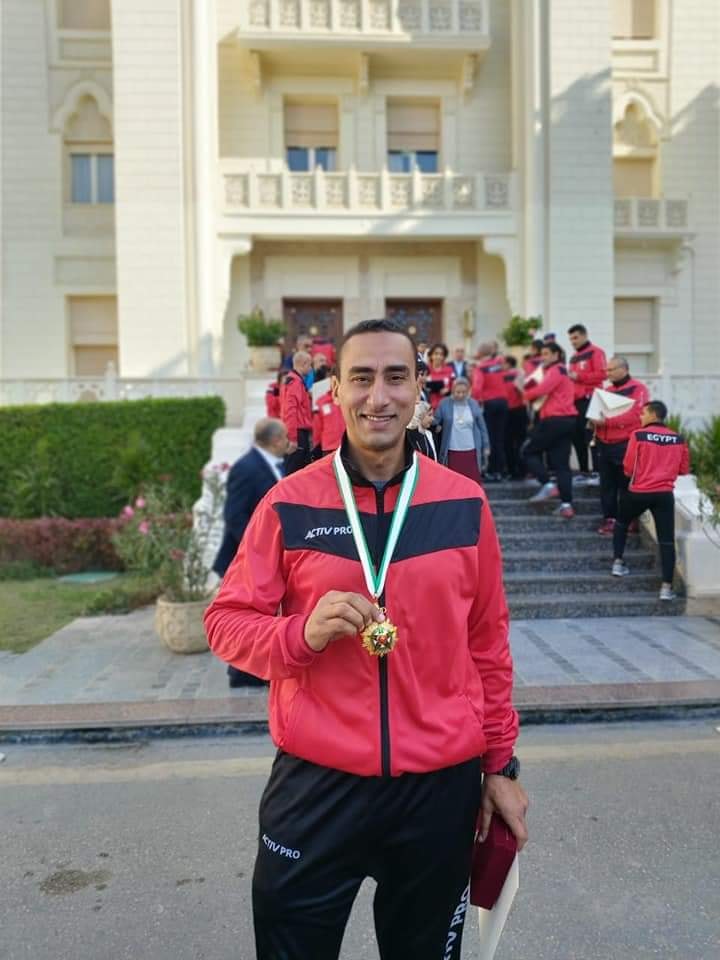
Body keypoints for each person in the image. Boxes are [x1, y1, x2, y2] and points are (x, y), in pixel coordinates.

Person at [204, 318, 527, 960]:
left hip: (438, 787)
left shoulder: (464, 503)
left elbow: (487, 644)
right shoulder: (289, 502)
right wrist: (299, 634)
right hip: (317, 786)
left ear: (419, 389)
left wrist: (499, 766)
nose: (378, 396)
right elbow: (226, 622)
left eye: (395, 377)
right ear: (335, 390)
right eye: (361, 378)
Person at [212, 418, 289, 687]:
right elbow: (234, 515)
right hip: (245, 558)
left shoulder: (276, 465)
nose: (288, 442)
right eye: (285, 438)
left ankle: (255, 672)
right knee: (245, 618)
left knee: (264, 617)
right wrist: (258, 549)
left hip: (268, 557)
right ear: (276, 440)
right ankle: (241, 674)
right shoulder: (246, 467)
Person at [612, 401, 690, 600]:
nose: (640, 416)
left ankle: (618, 563)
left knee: (621, 523)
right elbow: (683, 470)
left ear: (654, 415)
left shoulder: (638, 435)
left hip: (639, 492)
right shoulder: (678, 438)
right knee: (666, 541)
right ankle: (666, 588)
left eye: (643, 413)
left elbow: (628, 467)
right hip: (664, 495)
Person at [591, 356, 649, 535]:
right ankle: (609, 519)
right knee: (606, 485)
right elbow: (596, 414)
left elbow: (636, 414)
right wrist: (594, 419)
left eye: (611, 370)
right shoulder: (606, 390)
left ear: (624, 369)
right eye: (606, 370)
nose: (607, 373)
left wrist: (607, 421)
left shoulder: (638, 388)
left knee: (626, 484)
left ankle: (628, 520)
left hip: (625, 444)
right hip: (604, 444)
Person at [522, 341, 577, 518]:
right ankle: (566, 505)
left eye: (546, 354)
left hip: (555, 419)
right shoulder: (562, 370)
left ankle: (548, 485)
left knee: (528, 452)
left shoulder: (556, 370)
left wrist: (525, 394)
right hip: (566, 420)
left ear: (556, 355)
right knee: (562, 465)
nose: (542, 357)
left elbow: (542, 389)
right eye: (542, 354)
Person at [567, 324, 607, 483]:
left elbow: (602, 374)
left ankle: (597, 472)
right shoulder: (573, 357)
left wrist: (580, 377)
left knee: (592, 436)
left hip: (591, 399)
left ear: (584, 335)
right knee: (577, 436)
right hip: (575, 402)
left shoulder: (596, 352)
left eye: (575, 338)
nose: (573, 341)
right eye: (571, 339)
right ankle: (583, 471)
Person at [433, 377, 490, 485]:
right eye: (458, 392)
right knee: (454, 482)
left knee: (472, 482)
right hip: (452, 450)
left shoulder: (473, 404)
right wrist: (436, 426)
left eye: (464, 392)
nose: (460, 395)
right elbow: (435, 420)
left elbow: (482, 427)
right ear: (452, 390)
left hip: (471, 449)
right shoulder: (444, 403)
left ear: (468, 391)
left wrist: (486, 445)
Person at [472, 341, 508, 481]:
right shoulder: (499, 365)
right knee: (500, 437)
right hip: (503, 402)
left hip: (490, 403)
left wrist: (476, 402)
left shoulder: (480, 368)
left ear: (480, 353)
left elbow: (477, 388)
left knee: (490, 437)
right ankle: (501, 470)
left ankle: (492, 471)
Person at [281, 351, 313, 475]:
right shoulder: (295, 383)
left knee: (300, 472)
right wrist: (293, 439)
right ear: (303, 364)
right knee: (293, 473)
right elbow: (290, 411)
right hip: (297, 433)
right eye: (309, 365)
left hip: (298, 432)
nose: (311, 369)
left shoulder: (294, 381)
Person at [503, 356, 528, 480]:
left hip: (507, 411)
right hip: (520, 410)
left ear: (508, 364)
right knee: (520, 441)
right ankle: (522, 470)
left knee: (508, 443)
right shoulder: (520, 373)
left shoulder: (502, 375)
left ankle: (512, 470)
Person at [312, 387, 345, 457]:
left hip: (345, 446)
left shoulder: (348, 399)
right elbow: (317, 426)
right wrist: (316, 445)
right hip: (329, 447)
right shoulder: (321, 401)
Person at [425, 342, 455, 411]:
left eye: (441, 354)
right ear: (431, 355)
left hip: (446, 407)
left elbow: (454, 387)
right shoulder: (426, 370)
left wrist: (449, 390)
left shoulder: (449, 370)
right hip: (428, 408)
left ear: (444, 357)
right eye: (436, 354)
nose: (438, 357)